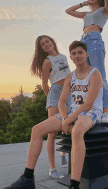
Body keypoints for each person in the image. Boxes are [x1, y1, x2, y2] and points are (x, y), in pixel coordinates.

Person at [4, 41, 103, 189]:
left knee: (77, 132)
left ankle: (74, 184)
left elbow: (88, 104)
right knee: (36, 130)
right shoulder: (70, 76)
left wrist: (67, 121)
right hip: (71, 110)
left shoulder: (95, 74)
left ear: (86, 54)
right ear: (70, 56)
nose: (77, 56)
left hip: (91, 111)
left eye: (80, 52)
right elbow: (62, 103)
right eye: (74, 53)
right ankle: (27, 178)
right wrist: (64, 119)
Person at [65, 0, 108, 123]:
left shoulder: (104, 10)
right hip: (83, 41)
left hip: (95, 40)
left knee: (99, 74)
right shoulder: (86, 14)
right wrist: (83, 4)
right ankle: (87, 107)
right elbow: (68, 11)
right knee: (84, 75)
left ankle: (106, 111)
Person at [30, 35, 71, 179]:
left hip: (69, 93)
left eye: (47, 41)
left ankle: (64, 153)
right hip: (55, 93)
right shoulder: (47, 62)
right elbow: (44, 84)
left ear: (53, 42)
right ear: (41, 48)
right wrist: (51, 99)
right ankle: (52, 169)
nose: (46, 44)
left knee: (68, 125)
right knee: (52, 132)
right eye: (43, 44)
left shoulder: (64, 56)